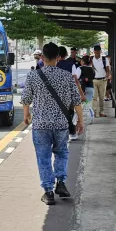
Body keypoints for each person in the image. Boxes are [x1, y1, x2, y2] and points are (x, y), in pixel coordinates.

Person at [22, 42, 84, 206]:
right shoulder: (66, 76)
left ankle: (48, 192)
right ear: (58, 57)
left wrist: (26, 115)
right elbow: (77, 101)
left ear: (42, 57)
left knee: (43, 158)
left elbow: (26, 99)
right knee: (62, 153)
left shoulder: (33, 76)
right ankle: (61, 183)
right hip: (61, 124)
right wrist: (80, 121)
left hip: (41, 125)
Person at [91, 44, 110, 116]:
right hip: (94, 80)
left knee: (102, 97)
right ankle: (94, 112)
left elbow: (108, 70)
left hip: (103, 80)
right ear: (94, 51)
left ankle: (101, 112)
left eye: (98, 52)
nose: (97, 54)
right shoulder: (91, 59)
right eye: (96, 52)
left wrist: (107, 76)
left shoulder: (105, 59)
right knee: (94, 97)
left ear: (100, 51)